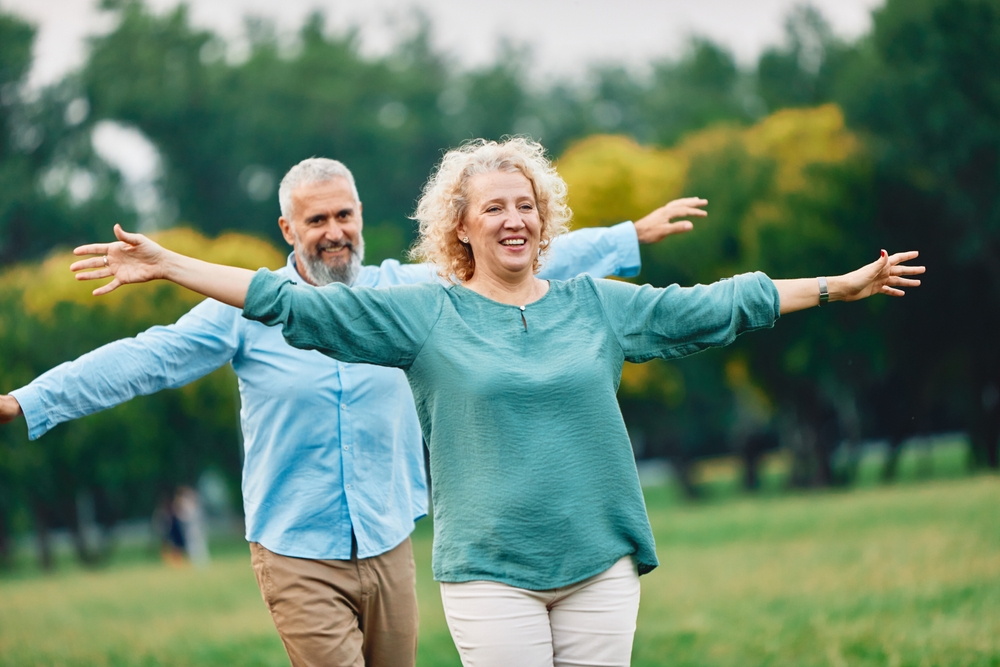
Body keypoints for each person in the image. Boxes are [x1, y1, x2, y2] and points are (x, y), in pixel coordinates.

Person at [66, 137, 924, 667]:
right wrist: (173, 263)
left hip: (600, 560)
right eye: (494, 208)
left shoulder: (595, 305)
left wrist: (836, 287)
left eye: (527, 206)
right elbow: (283, 302)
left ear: (541, 222)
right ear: (460, 227)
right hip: (487, 571)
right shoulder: (422, 312)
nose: (513, 219)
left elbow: (714, 305)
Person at [0, 156, 704, 667]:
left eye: (344, 215)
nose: (334, 231)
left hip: (390, 537)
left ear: (362, 216)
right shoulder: (244, 308)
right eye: (317, 220)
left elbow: (510, 256)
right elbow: (140, 358)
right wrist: (25, 401)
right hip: (297, 548)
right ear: (288, 227)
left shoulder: (414, 296)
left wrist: (627, 238)